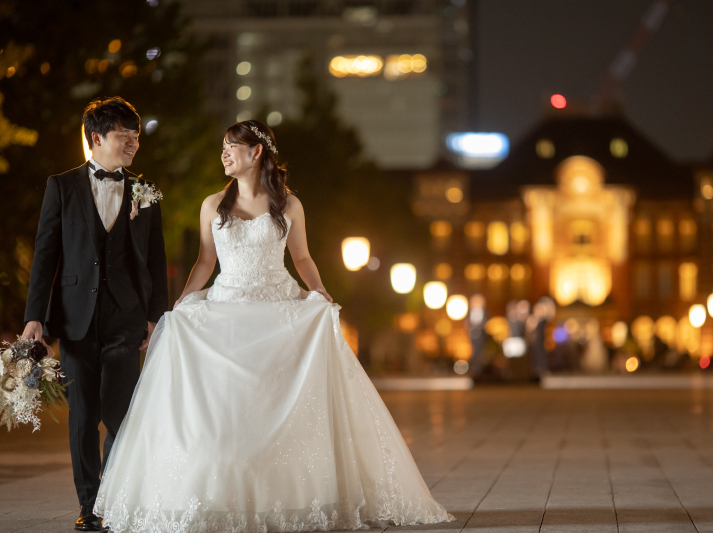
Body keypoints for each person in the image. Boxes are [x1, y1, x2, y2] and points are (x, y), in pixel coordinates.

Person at [93, 120, 454, 532]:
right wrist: (183, 301)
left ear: (256, 152)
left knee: (275, 406)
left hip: (278, 309)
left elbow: (301, 257)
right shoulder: (213, 204)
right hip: (227, 309)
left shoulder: (289, 204)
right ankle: (223, 494)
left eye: (232, 147)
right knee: (228, 411)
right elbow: (205, 262)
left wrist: (319, 291)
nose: (224, 154)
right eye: (223, 148)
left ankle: (289, 496)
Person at [21, 97, 168, 531]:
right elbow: (46, 253)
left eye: (136, 135)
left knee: (120, 414)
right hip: (75, 318)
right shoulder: (61, 186)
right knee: (83, 413)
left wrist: (156, 316)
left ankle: (113, 497)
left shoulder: (147, 191)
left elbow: (155, 258)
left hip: (127, 318)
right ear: (96, 138)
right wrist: (36, 316)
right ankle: (90, 505)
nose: (132, 143)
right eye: (123, 134)